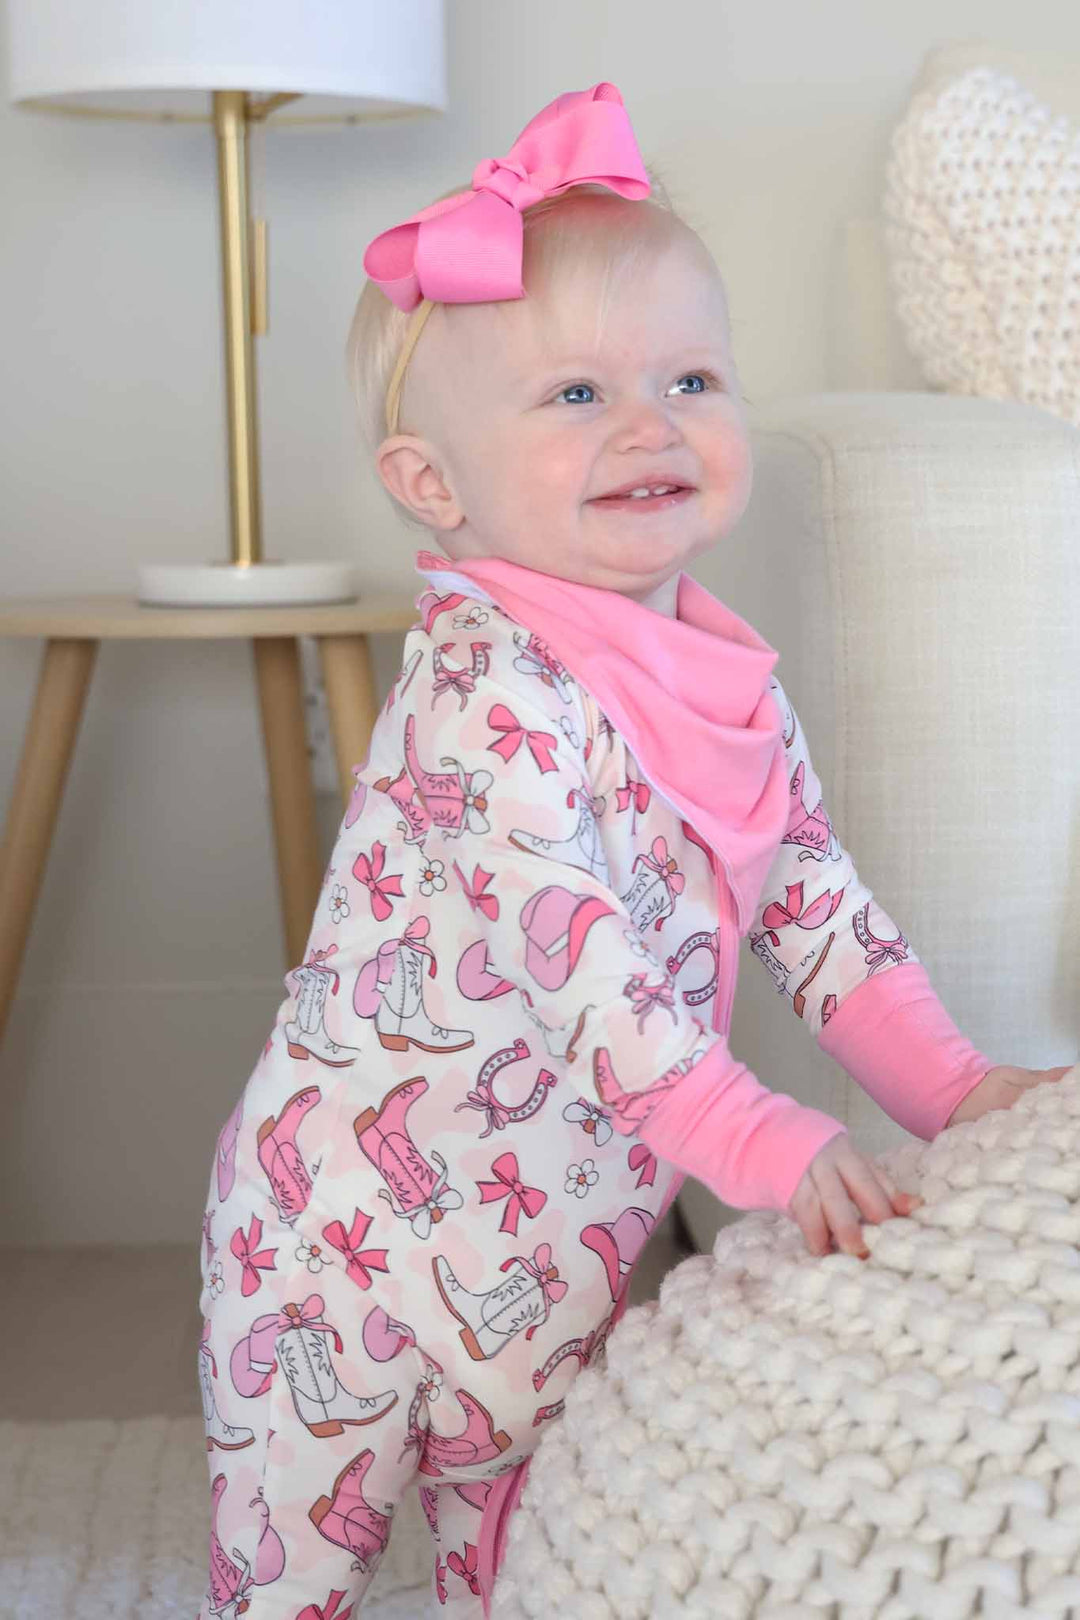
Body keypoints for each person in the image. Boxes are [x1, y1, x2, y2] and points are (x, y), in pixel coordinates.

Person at [196, 82, 1068, 1620]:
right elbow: (590, 984)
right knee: (289, 1584)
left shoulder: (728, 681)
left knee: (532, 1564)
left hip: (556, 1257)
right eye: (578, 394)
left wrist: (960, 1092)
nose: (653, 422)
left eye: (692, 377)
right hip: (341, 1255)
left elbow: (815, 909)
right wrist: (771, 1144)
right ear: (433, 483)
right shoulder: (484, 699)